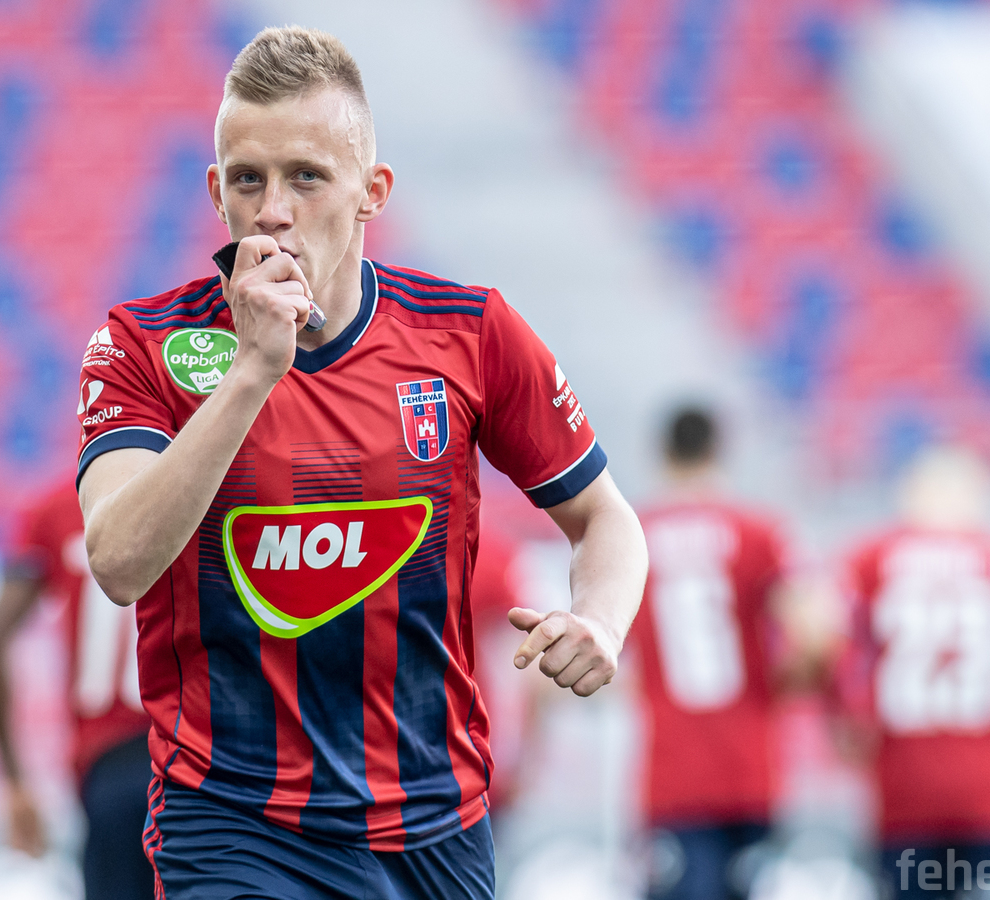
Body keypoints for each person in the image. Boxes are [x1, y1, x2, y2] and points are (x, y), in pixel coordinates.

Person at [73, 25, 648, 900]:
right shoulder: (139, 345)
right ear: (215, 192)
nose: (273, 210)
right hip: (231, 823)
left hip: (434, 825)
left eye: (306, 176)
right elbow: (117, 561)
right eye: (247, 179)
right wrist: (252, 372)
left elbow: (605, 518)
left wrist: (600, 621)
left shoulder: (469, 334)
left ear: (371, 191)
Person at [831, 446, 990, 900]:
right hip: (988, 794)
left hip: (902, 792)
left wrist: (843, 718)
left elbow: (824, 648)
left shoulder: (869, 560)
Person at [631, 407, 817, 900]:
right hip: (749, 768)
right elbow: (816, 635)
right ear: (718, 450)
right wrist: (784, 681)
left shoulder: (632, 535)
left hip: (672, 773)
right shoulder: (761, 532)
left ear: (663, 454)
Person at [0, 483, 153, 899]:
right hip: (192, 752)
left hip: (106, 764)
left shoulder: (57, 508)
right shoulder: (204, 489)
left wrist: (15, 783)